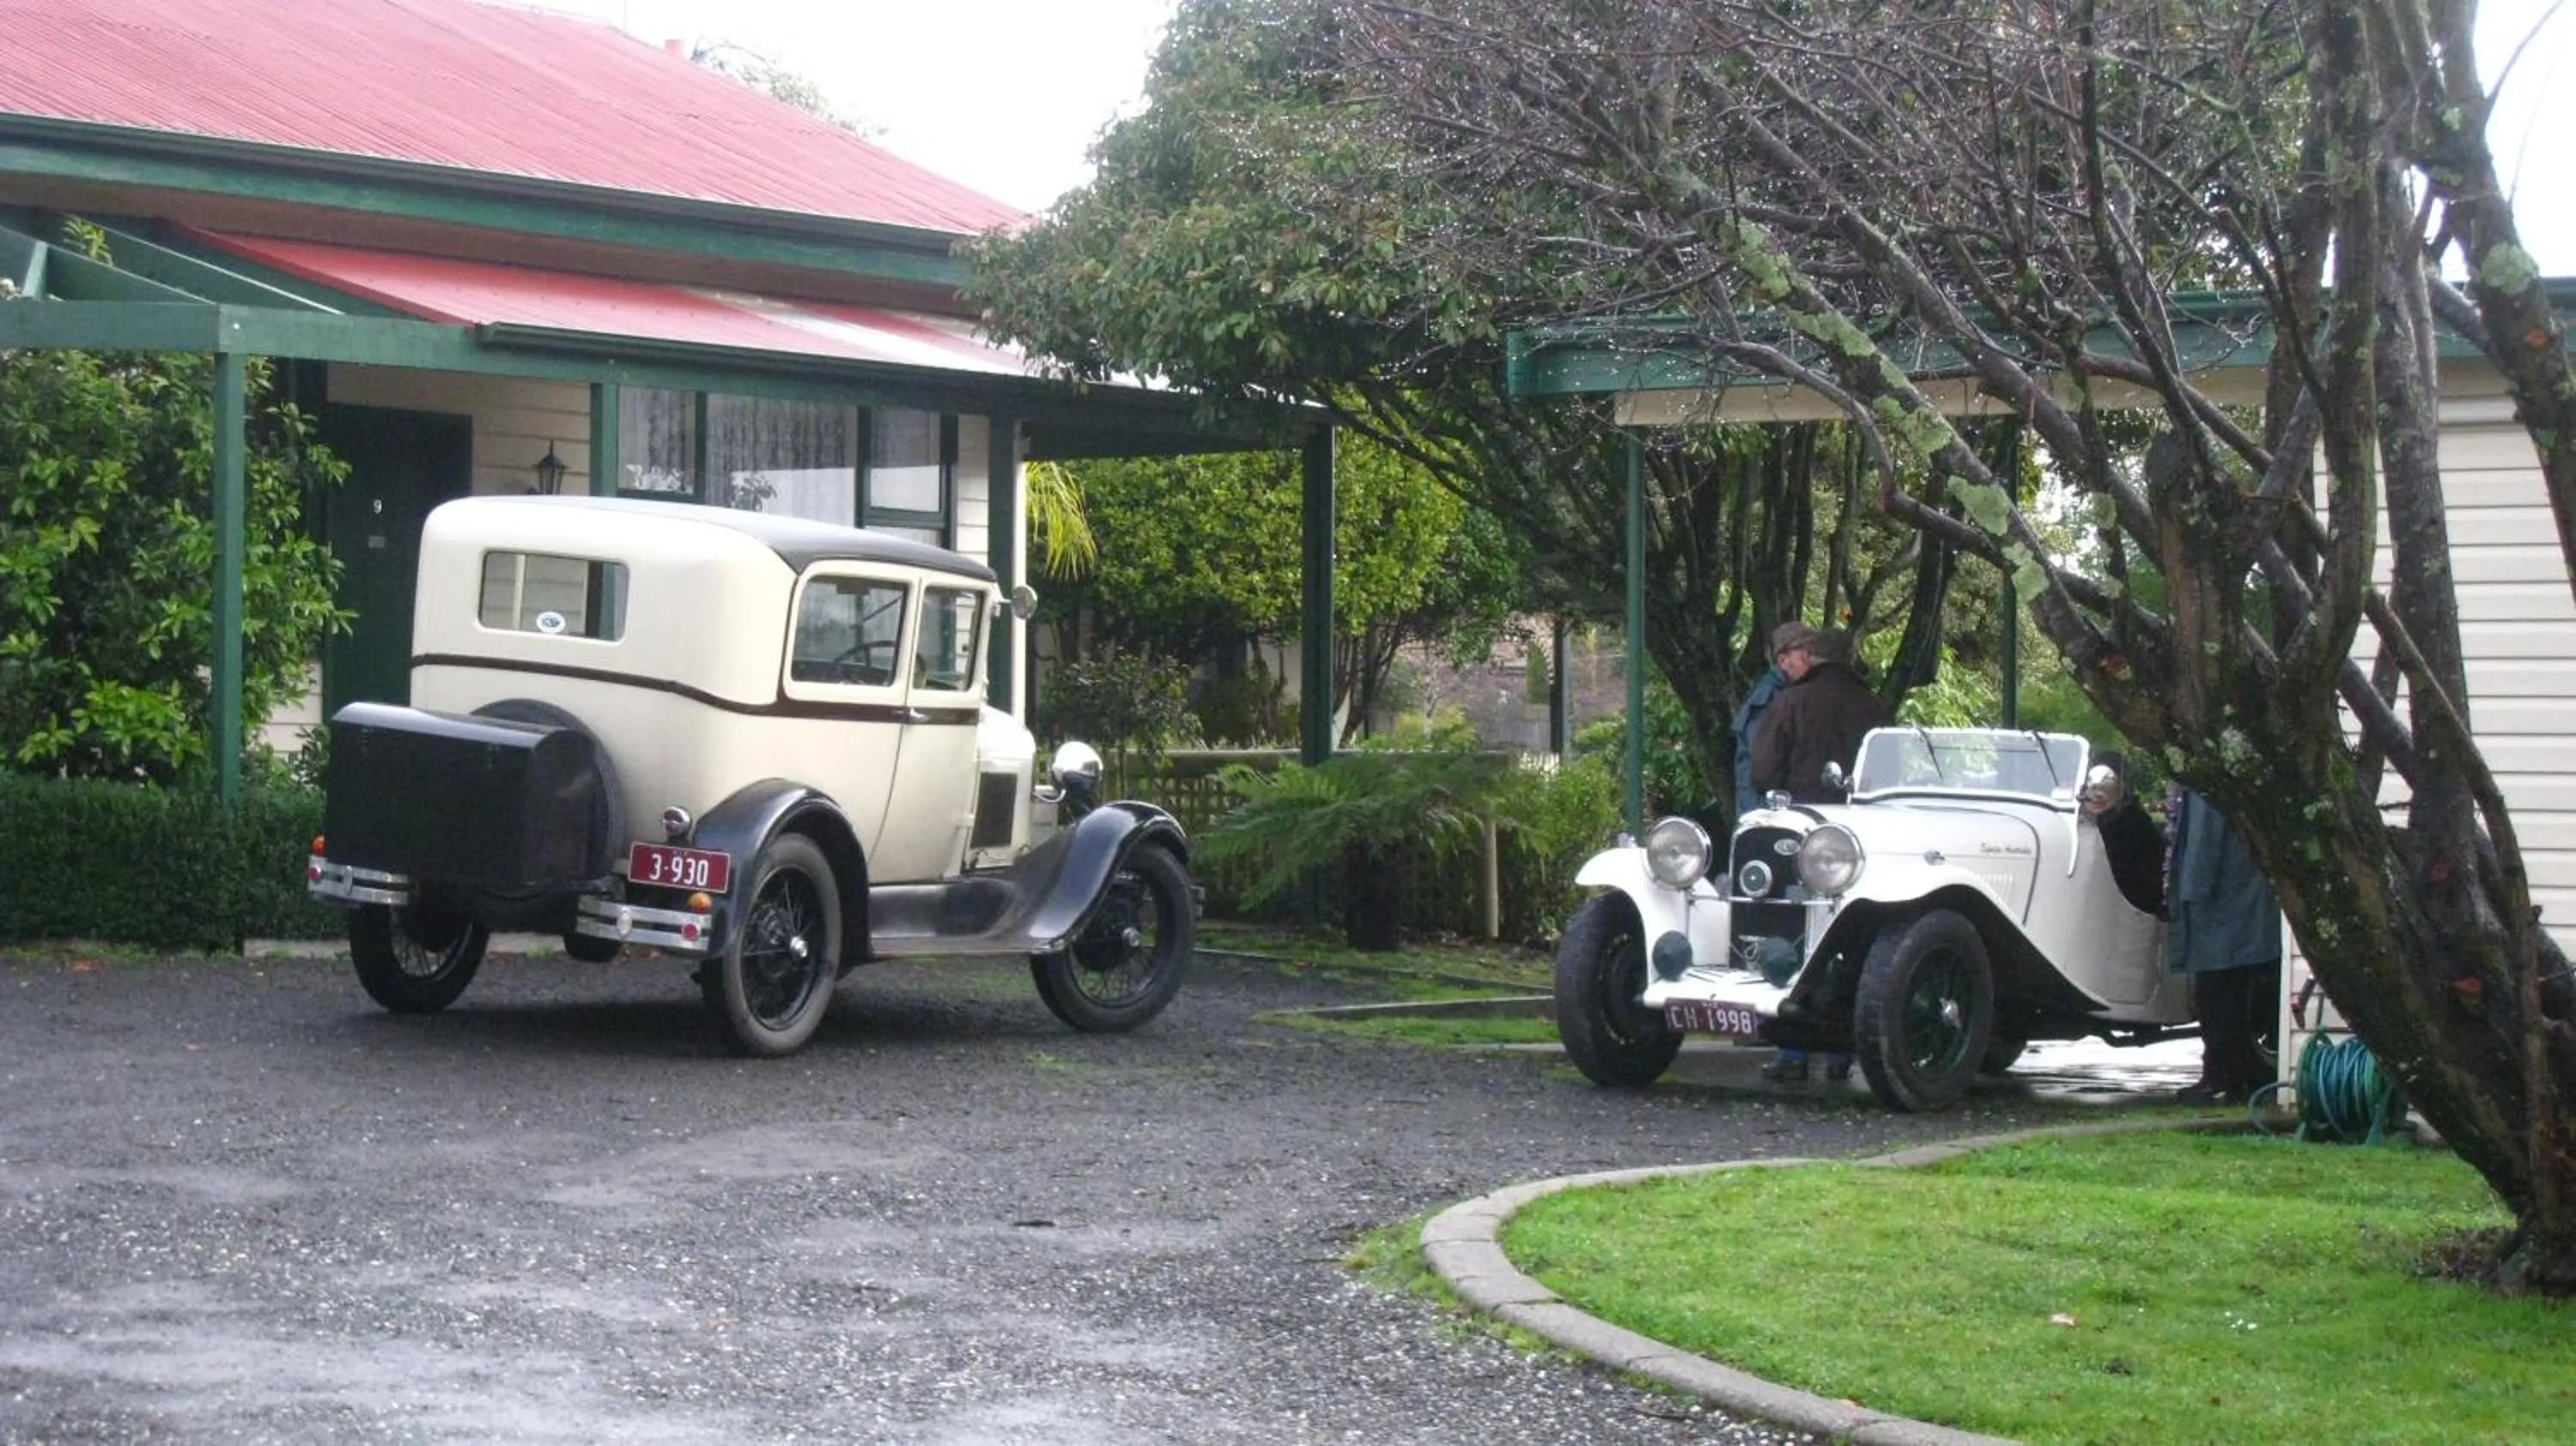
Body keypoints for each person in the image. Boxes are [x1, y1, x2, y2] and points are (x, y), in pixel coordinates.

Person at [1747, 624, 1892, 1084]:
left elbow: (1762, 771)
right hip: (1864, 839)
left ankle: (1793, 1054)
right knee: (1853, 938)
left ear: (1810, 656)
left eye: (1789, 657)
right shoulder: (1875, 706)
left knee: (1798, 936)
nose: (1785, 666)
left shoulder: (1791, 702)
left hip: (1804, 832)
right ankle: (1840, 1055)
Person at [2163, 786, 2282, 1104]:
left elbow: (2203, 841)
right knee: (2234, 993)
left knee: (2216, 995)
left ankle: (2221, 1078)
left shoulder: (2202, 783)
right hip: (2241, 896)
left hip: (2221, 903)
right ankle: (2237, 1076)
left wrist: (2188, 891)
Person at [1730, 623, 1799, 821]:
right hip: (1761, 807)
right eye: (1804, 656)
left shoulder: (1786, 693)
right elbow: (1762, 758)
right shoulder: (1768, 698)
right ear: (1784, 660)